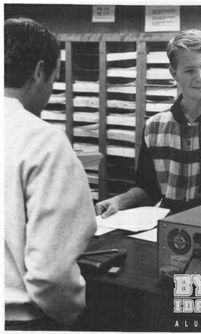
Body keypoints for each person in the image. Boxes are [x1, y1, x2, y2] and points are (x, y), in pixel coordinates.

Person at [4, 17, 96, 331]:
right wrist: (71, 314)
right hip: (22, 320)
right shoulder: (43, 141)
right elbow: (51, 274)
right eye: (55, 77)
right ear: (41, 71)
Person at [96, 29, 201, 218]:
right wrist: (120, 201)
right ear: (173, 73)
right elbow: (148, 190)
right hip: (172, 233)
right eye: (190, 70)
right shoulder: (155, 127)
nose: (200, 77)